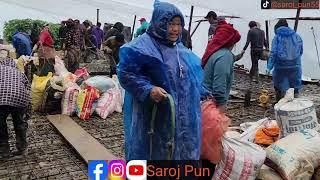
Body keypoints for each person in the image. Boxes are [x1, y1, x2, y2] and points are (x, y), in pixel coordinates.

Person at [117, 0, 203, 160]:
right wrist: (148, 89)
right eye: (171, 24)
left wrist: (203, 91)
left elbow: (191, 77)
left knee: (177, 153)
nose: (176, 29)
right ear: (159, 22)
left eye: (179, 24)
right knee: (153, 152)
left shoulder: (180, 49)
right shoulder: (142, 46)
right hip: (153, 115)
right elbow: (125, 73)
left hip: (182, 116)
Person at [202, 20, 241, 112]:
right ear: (231, 41)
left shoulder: (213, 52)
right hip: (211, 103)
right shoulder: (225, 56)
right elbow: (219, 84)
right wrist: (221, 105)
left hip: (203, 100)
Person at [0, 57, 31, 158]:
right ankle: (22, 149)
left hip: (2, 98)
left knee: (1, 125)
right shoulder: (19, 72)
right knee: (19, 123)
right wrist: (28, 110)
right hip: (20, 98)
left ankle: (4, 151)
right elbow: (28, 88)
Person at [267, 19, 303, 101]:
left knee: (279, 87)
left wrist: (269, 67)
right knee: (295, 88)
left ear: (277, 28)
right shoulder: (297, 36)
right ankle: (296, 105)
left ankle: (280, 103)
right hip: (295, 66)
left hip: (280, 67)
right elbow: (300, 51)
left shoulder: (276, 37)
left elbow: (274, 53)